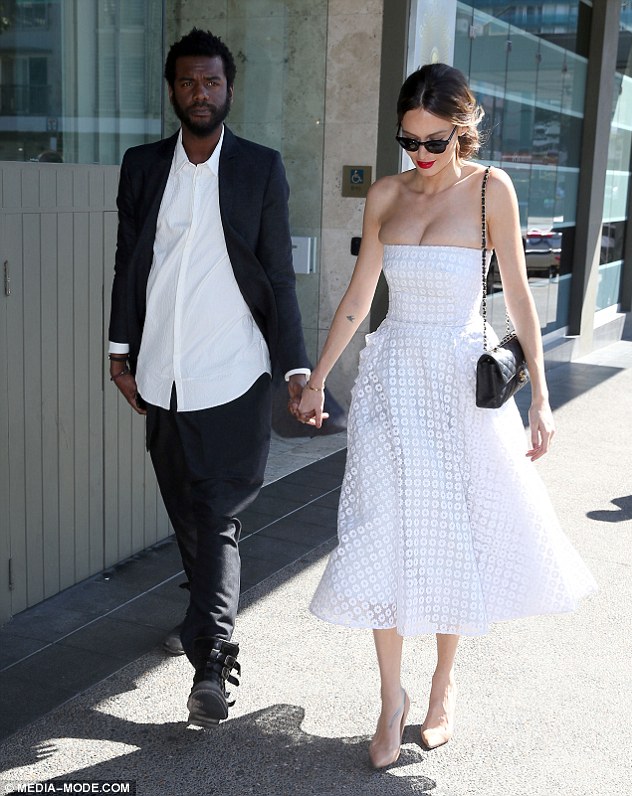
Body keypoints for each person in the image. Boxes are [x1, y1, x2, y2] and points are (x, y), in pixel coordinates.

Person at [297, 63, 597, 768]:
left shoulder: (492, 190)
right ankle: (390, 699)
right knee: (383, 528)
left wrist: (541, 397)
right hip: (392, 379)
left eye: (435, 141)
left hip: (459, 383)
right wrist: (318, 377)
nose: (422, 154)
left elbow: (519, 296)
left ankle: (442, 682)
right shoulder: (386, 194)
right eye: (409, 141)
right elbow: (360, 297)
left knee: (449, 530)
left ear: (462, 130)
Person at [108, 28, 310, 728]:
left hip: (235, 373)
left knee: (218, 515)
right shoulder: (142, 167)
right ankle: (203, 615)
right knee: (187, 516)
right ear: (173, 89)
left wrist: (296, 366)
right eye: (189, 81)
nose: (201, 92)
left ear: (229, 89)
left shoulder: (259, 168)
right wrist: (120, 352)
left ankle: (213, 663)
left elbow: (278, 275)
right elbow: (128, 262)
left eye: (213, 81)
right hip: (162, 373)